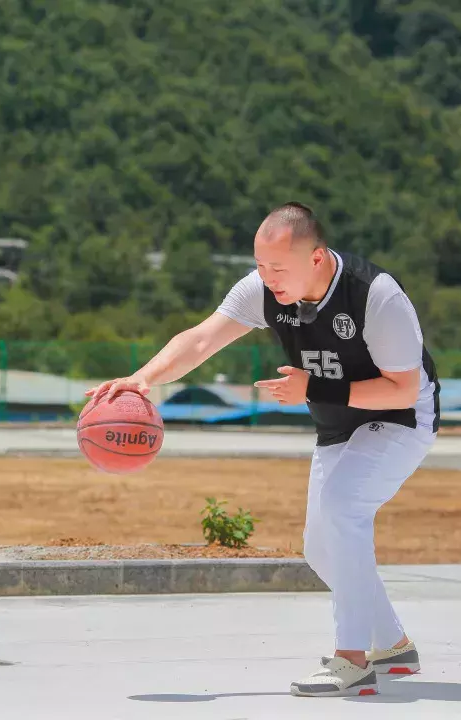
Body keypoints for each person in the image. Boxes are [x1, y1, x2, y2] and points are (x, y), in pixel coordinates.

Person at [86, 203, 440, 698]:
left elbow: (403, 389)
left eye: (278, 268)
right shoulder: (262, 291)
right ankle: (394, 645)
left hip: (400, 419)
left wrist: (315, 388)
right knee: (320, 549)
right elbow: (201, 339)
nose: (267, 277)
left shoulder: (376, 296)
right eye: (260, 265)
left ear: (317, 258)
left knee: (342, 509)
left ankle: (353, 660)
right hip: (340, 423)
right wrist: (143, 379)